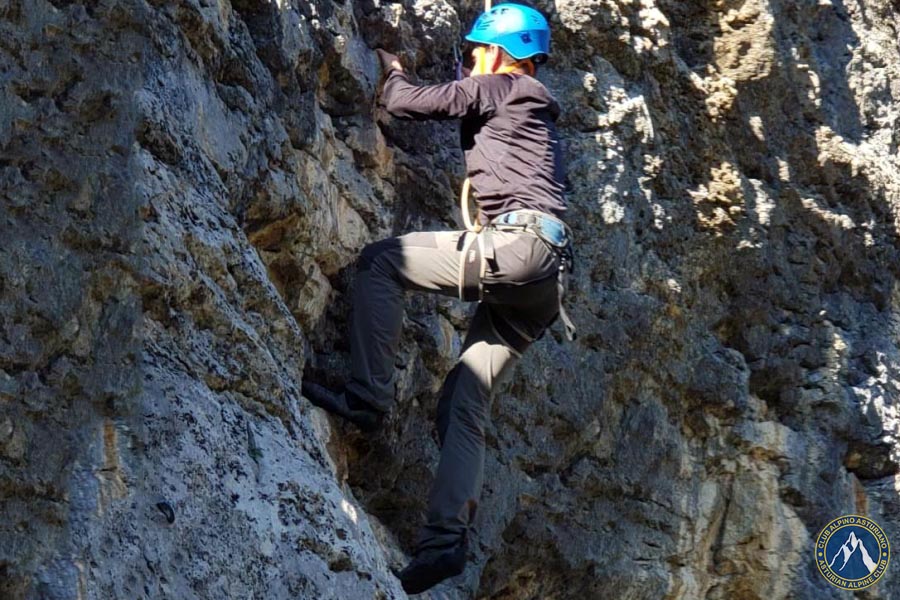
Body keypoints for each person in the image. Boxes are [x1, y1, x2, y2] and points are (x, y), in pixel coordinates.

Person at [301, 3, 574, 594]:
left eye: (475, 50)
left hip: (519, 248)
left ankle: (366, 397)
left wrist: (394, 69)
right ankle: (444, 543)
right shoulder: (538, 116)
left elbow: (406, 103)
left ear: (499, 52)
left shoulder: (502, 87)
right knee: (464, 401)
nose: (469, 60)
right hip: (546, 282)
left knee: (382, 262)